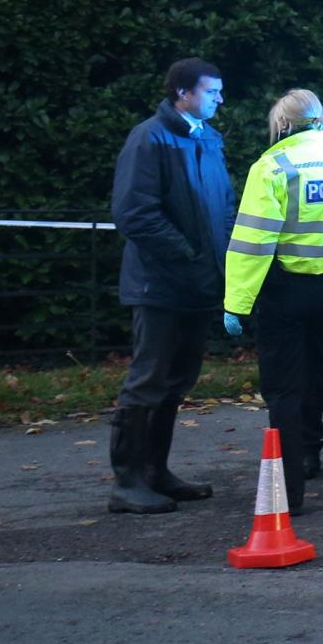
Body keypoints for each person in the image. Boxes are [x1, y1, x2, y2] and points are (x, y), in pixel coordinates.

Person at [224, 89, 323, 514]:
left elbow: (253, 241)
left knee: (284, 392)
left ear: (282, 125)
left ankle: (288, 495)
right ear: (320, 123)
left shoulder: (273, 167)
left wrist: (237, 302)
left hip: (285, 293)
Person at [105, 58, 233, 515]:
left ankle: (155, 472)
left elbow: (222, 208)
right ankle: (128, 481)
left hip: (196, 285)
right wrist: (190, 255)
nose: (220, 99)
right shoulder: (149, 138)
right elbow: (135, 213)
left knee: (176, 381)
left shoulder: (208, 140)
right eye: (212, 91)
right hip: (159, 286)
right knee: (148, 381)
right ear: (183, 93)